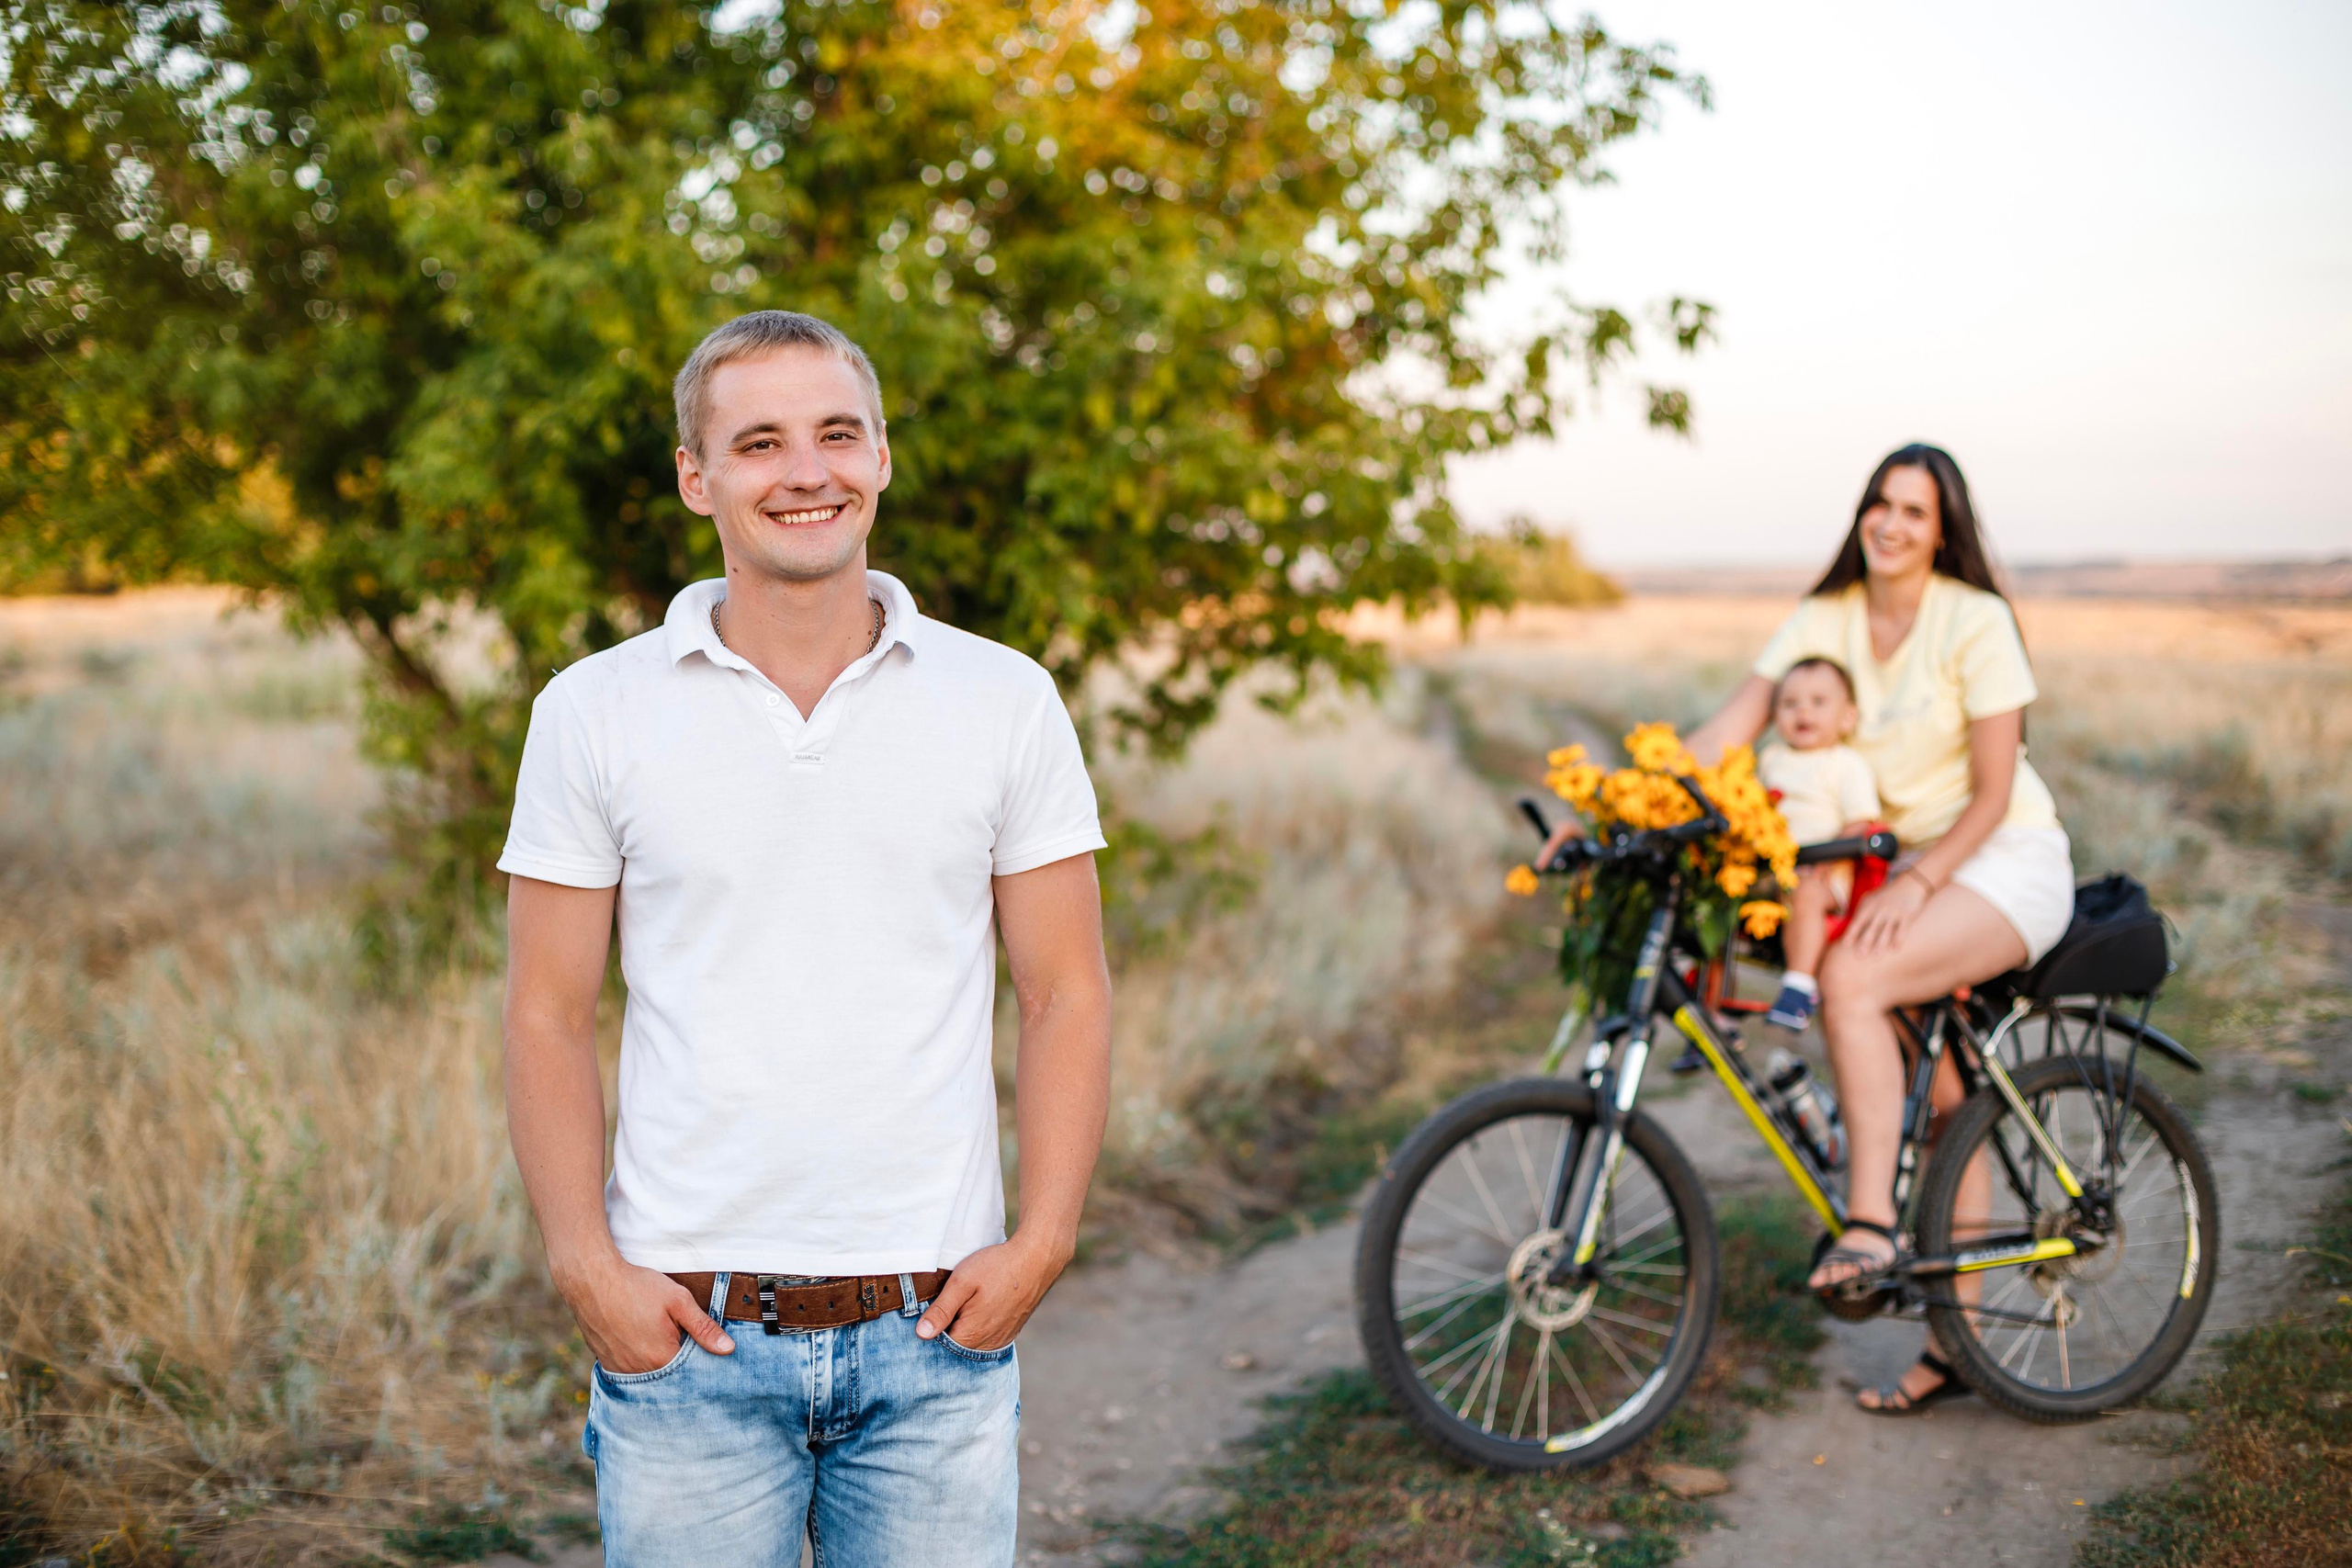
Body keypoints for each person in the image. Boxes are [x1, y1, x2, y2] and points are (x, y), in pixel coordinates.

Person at [499, 310, 1114, 1562]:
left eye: (838, 433)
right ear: (697, 478)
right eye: (760, 441)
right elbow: (547, 1011)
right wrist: (586, 1268)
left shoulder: (1004, 697)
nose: (806, 471)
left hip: (938, 1330)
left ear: (882, 456)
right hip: (688, 1339)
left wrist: (1043, 1240)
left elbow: (1065, 990)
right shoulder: (593, 709)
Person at [1541, 443, 2072, 1415]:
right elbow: (1717, 739)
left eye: (1914, 510)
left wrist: (1918, 883)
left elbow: (1996, 792)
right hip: (1895, 871)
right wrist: (1614, 812)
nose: (1891, 523)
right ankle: (1959, 1346)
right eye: (1880, 502)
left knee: (1852, 980)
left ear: (1942, 528)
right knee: (1951, 1109)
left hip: (1995, 859)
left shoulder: (1975, 620)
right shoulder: (1821, 618)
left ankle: (1868, 1225)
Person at [1755, 657, 1883, 1033]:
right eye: (1790, 703)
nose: (1803, 712)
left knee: (1805, 892)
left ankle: (1798, 987)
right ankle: (1710, 1002)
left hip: (1823, 877)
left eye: (1818, 702)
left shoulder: (1844, 764)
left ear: (1847, 718)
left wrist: (1827, 858)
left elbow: (1861, 822)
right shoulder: (1772, 759)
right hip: (1771, 869)